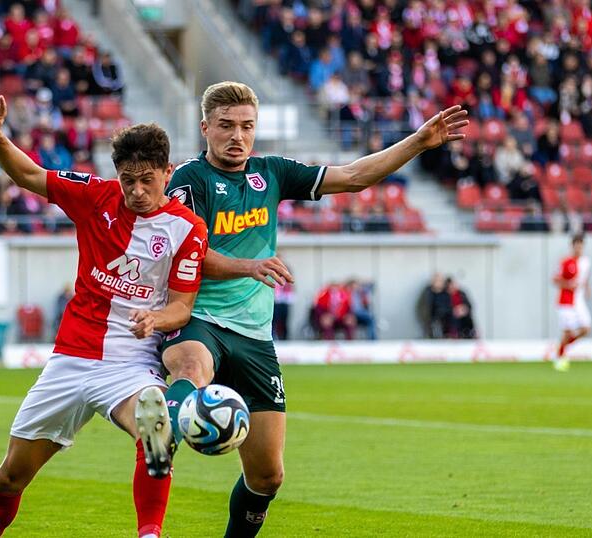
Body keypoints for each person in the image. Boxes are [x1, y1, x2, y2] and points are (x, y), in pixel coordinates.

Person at [155, 81, 468, 536]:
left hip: (255, 338)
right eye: (225, 126)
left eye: (246, 126)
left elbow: (354, 176)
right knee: (190, 369)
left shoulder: (272, 173)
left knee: (267, 476)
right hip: (199, 318)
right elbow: (188, 256)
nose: (237, 136)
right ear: (205, 128)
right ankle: (160, 436)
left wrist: (419, 140)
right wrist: (248, 265)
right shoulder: (190, 179)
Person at [0, 93, 208, 538]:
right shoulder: (93, 196)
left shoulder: (187, 229)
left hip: (129, 364)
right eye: (128, 180)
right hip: (71, 358)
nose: (136, 191)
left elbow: (182, 306)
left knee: (156, 426)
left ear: (168, 174)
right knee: (10, 477)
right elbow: (26, 173)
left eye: (147, 181)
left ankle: (150, 533)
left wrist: (156, 320)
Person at [553, 233, 591, 372]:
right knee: (567, 332)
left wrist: (587, 289)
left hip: (579, 301)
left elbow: (585, 279)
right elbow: (555, 280)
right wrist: (568, 284)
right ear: (572, 246)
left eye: (581, 246)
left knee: (586, 328)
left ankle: (562, 348)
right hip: (566, 301)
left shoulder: (586, 262)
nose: (579, 249)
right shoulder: (566, 262)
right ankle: (560, 356)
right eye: (577, 246)